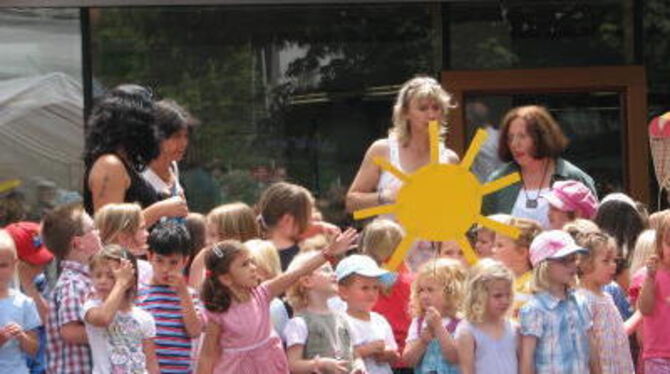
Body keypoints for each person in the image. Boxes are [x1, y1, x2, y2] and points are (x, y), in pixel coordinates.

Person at [196, 229, 357, 374]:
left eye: (252, 261)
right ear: (226, 278)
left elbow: (298, 272)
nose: (253, 267)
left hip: (270, 365)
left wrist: (329, 253)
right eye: (245, 265)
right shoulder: (218, 312)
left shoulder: (263, 293)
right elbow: (208, 355)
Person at [346, 76, 459, 271]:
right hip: (387, 255)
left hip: (431, 259)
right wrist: (385, 197)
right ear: (406, 112)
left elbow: (458, 213)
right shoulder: (383, 150)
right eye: (423, 108)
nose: (431, 114)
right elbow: (351, 202)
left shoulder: (448, 158)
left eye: (436, 107)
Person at [83, 84, 187, 226]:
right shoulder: (109, 165)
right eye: (149, 124)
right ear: (135, 126)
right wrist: (161, 210)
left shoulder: (128, 162)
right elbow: (108, 231)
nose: (153, 132)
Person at [482, 105, 595, 229]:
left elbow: (591, 231)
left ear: (541, 137)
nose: (515, 144)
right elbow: (482, 230)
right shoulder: (498, 180)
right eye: (510, 138)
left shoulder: (573, 177)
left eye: (522, 136)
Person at [519, 230, 600, 374]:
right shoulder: (535, 309)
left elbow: (592, 349)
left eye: (574, 258)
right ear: (543, 266)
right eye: (564, 260)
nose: (572, 265)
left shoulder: (580, 301)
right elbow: (527, 359)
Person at [42, 203, 103, 373]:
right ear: (78, 243)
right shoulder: (74, 284)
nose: (99, 233)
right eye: (93, 228)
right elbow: (70, 331)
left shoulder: (85, 280)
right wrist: (112, 330)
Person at [137, 221, 202, 374]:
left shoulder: (190, 295)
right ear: (149, 256)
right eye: (160, 260)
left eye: (173, 262)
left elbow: (194, 331)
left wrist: (183, 293)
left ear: (185, 261)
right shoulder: (138, 293)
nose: (166, 269)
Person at [284, 252, 365, 373]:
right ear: (307, 281)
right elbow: (292, 365)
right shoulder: (299, 323)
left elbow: (354, 353)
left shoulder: (341, 318)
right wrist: (319, 364)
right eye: (326, 270)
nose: (334, 274)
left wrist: (359, 365)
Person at [83, 245, 158, 374]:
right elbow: (103, 318)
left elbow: (151, 363)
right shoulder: (91, 306)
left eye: (111, 276)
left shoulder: (145, 318)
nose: (102, 281)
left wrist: (122, 282)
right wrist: (121, 283)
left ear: (130, 280)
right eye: (98, 275)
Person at [575, 232, 635, 373]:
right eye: (606, 261)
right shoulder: (583, 300)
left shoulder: (607, 296)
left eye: (614, 260)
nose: (613, 266)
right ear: (584, 263)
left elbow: (618, 333)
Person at [360, 218, 413, 373]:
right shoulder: (415, 283)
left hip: (371, 361)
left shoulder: (359, 287)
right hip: (409, 360)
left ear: (366, 248)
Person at [336, 255, 400, 374]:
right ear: (344, 292)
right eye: (364, 288)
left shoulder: (380, 321)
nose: (371, 293)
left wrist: (388, 354)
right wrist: (365, 350)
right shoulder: (339, 321)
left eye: (375, 287)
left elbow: (395, 356)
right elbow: (337, 356)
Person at [4, 222, 54, 374]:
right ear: (14, 263)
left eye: (44, 262)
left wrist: (28, 285)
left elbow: (48, 320)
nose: (41, 268)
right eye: (34, 264)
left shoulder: (39, 281)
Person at [402, 258, 465, 374]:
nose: (424, 296)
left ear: (450, 292)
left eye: (430, 290)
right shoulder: (418, 322)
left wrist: (439, 328)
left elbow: (455, 357)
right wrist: (422, 341)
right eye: (421, 290)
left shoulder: (462, 322)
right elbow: (408, 361)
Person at [456, 259, 517, 374]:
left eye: (508, 295)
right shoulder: (468, 331)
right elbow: (467, 370)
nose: (505, 300)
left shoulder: (513, 328)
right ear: (479, 295)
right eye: (497, 296)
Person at [188, 202, 259, 290]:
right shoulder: (203, 258)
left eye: (213, 235)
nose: (207, 241)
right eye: (206, 235)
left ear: (234, 237)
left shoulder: (256, 261)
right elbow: (194, 294)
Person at [631, 214, 670, 372]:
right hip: (658, 355)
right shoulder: (648, 274)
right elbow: (645, 309)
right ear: (660, 244)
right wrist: (649, 278)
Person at [0, 229, 41, 374]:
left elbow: (34, 349)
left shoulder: (24, 302)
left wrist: (21, 336)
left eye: (3, 265)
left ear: (14, 265)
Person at [142, 99, 198, 201]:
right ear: (156, 136)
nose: (183, 143)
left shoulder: (172, 166)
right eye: (176, 136)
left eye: (186, 136)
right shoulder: (140, 174)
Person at [491, 217, 542, 317]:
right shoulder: (501, 282)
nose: (493, 250)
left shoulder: (532, 288)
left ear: (522, 253)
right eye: (494, 245)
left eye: (500, 245)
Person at [94, 203, 152, 285]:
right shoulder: (146, 271)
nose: (147, 234)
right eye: (142, 228)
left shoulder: (147, 268)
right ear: (123, 236)